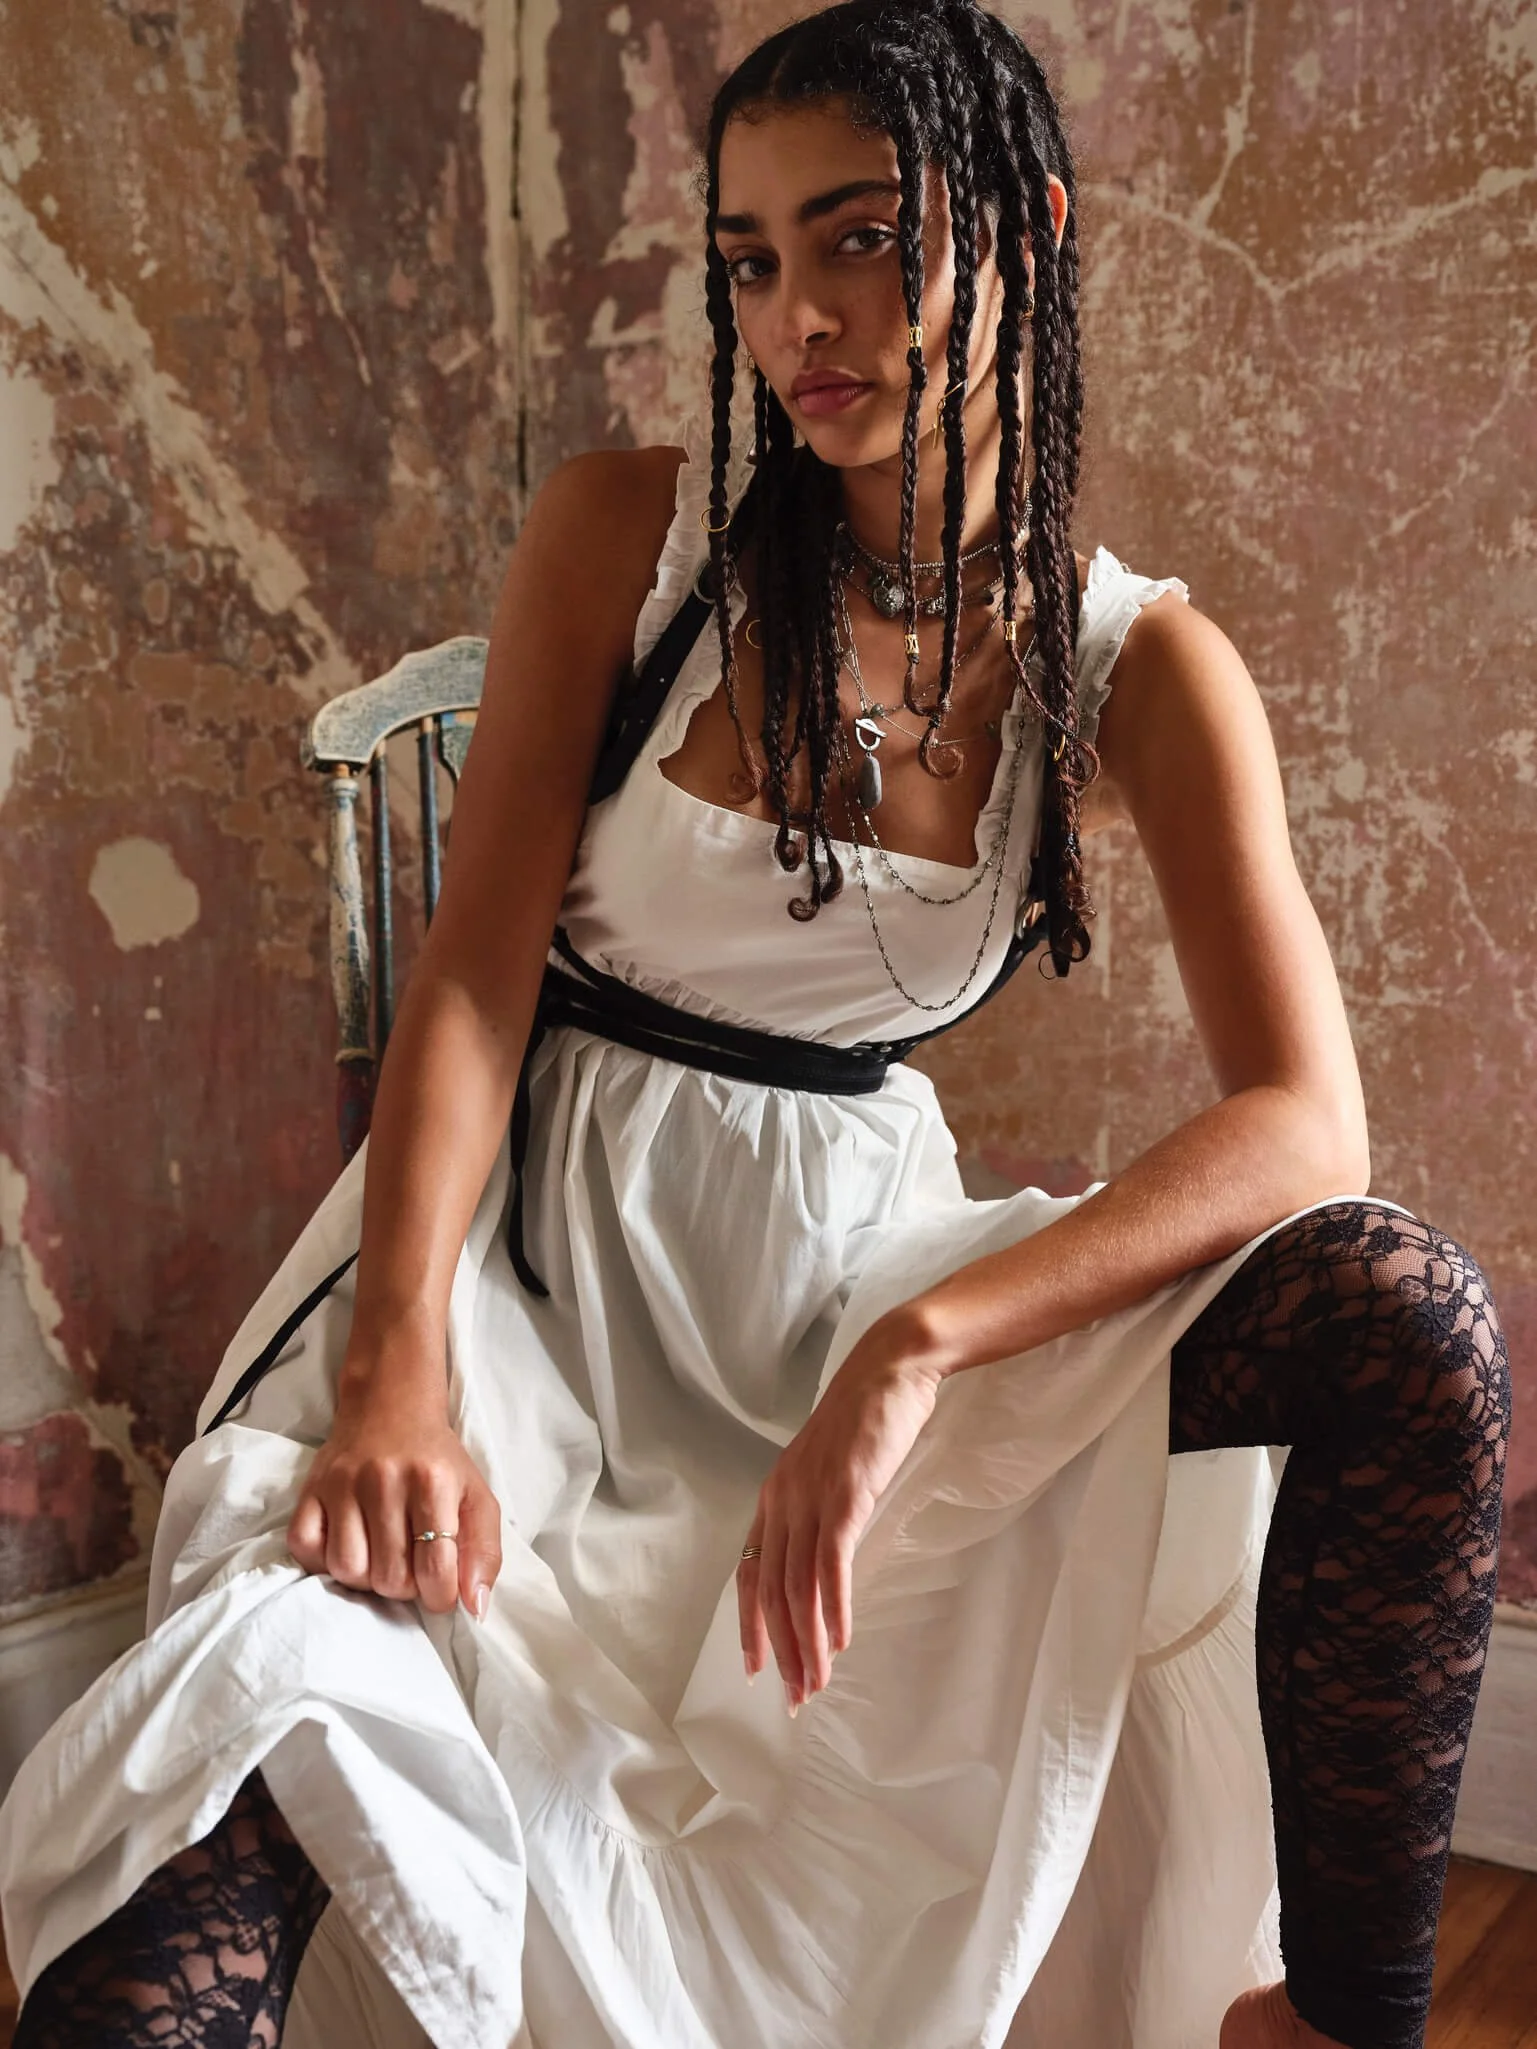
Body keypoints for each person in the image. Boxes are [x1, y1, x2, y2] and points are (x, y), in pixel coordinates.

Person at [0, 3, 1510, 2046]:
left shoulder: (1133, 663)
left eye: (861, 238)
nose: (799, 312)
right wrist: (399, 1361)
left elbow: (1308, 1121)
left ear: (1031, 232)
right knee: (276, 1705)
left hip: (845, 1276)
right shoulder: (631, 533)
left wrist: (914, 1346)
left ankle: (1347, 2018)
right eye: (751, 257)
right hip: (529, 1270)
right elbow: (467, 977)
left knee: (1410, 1315)